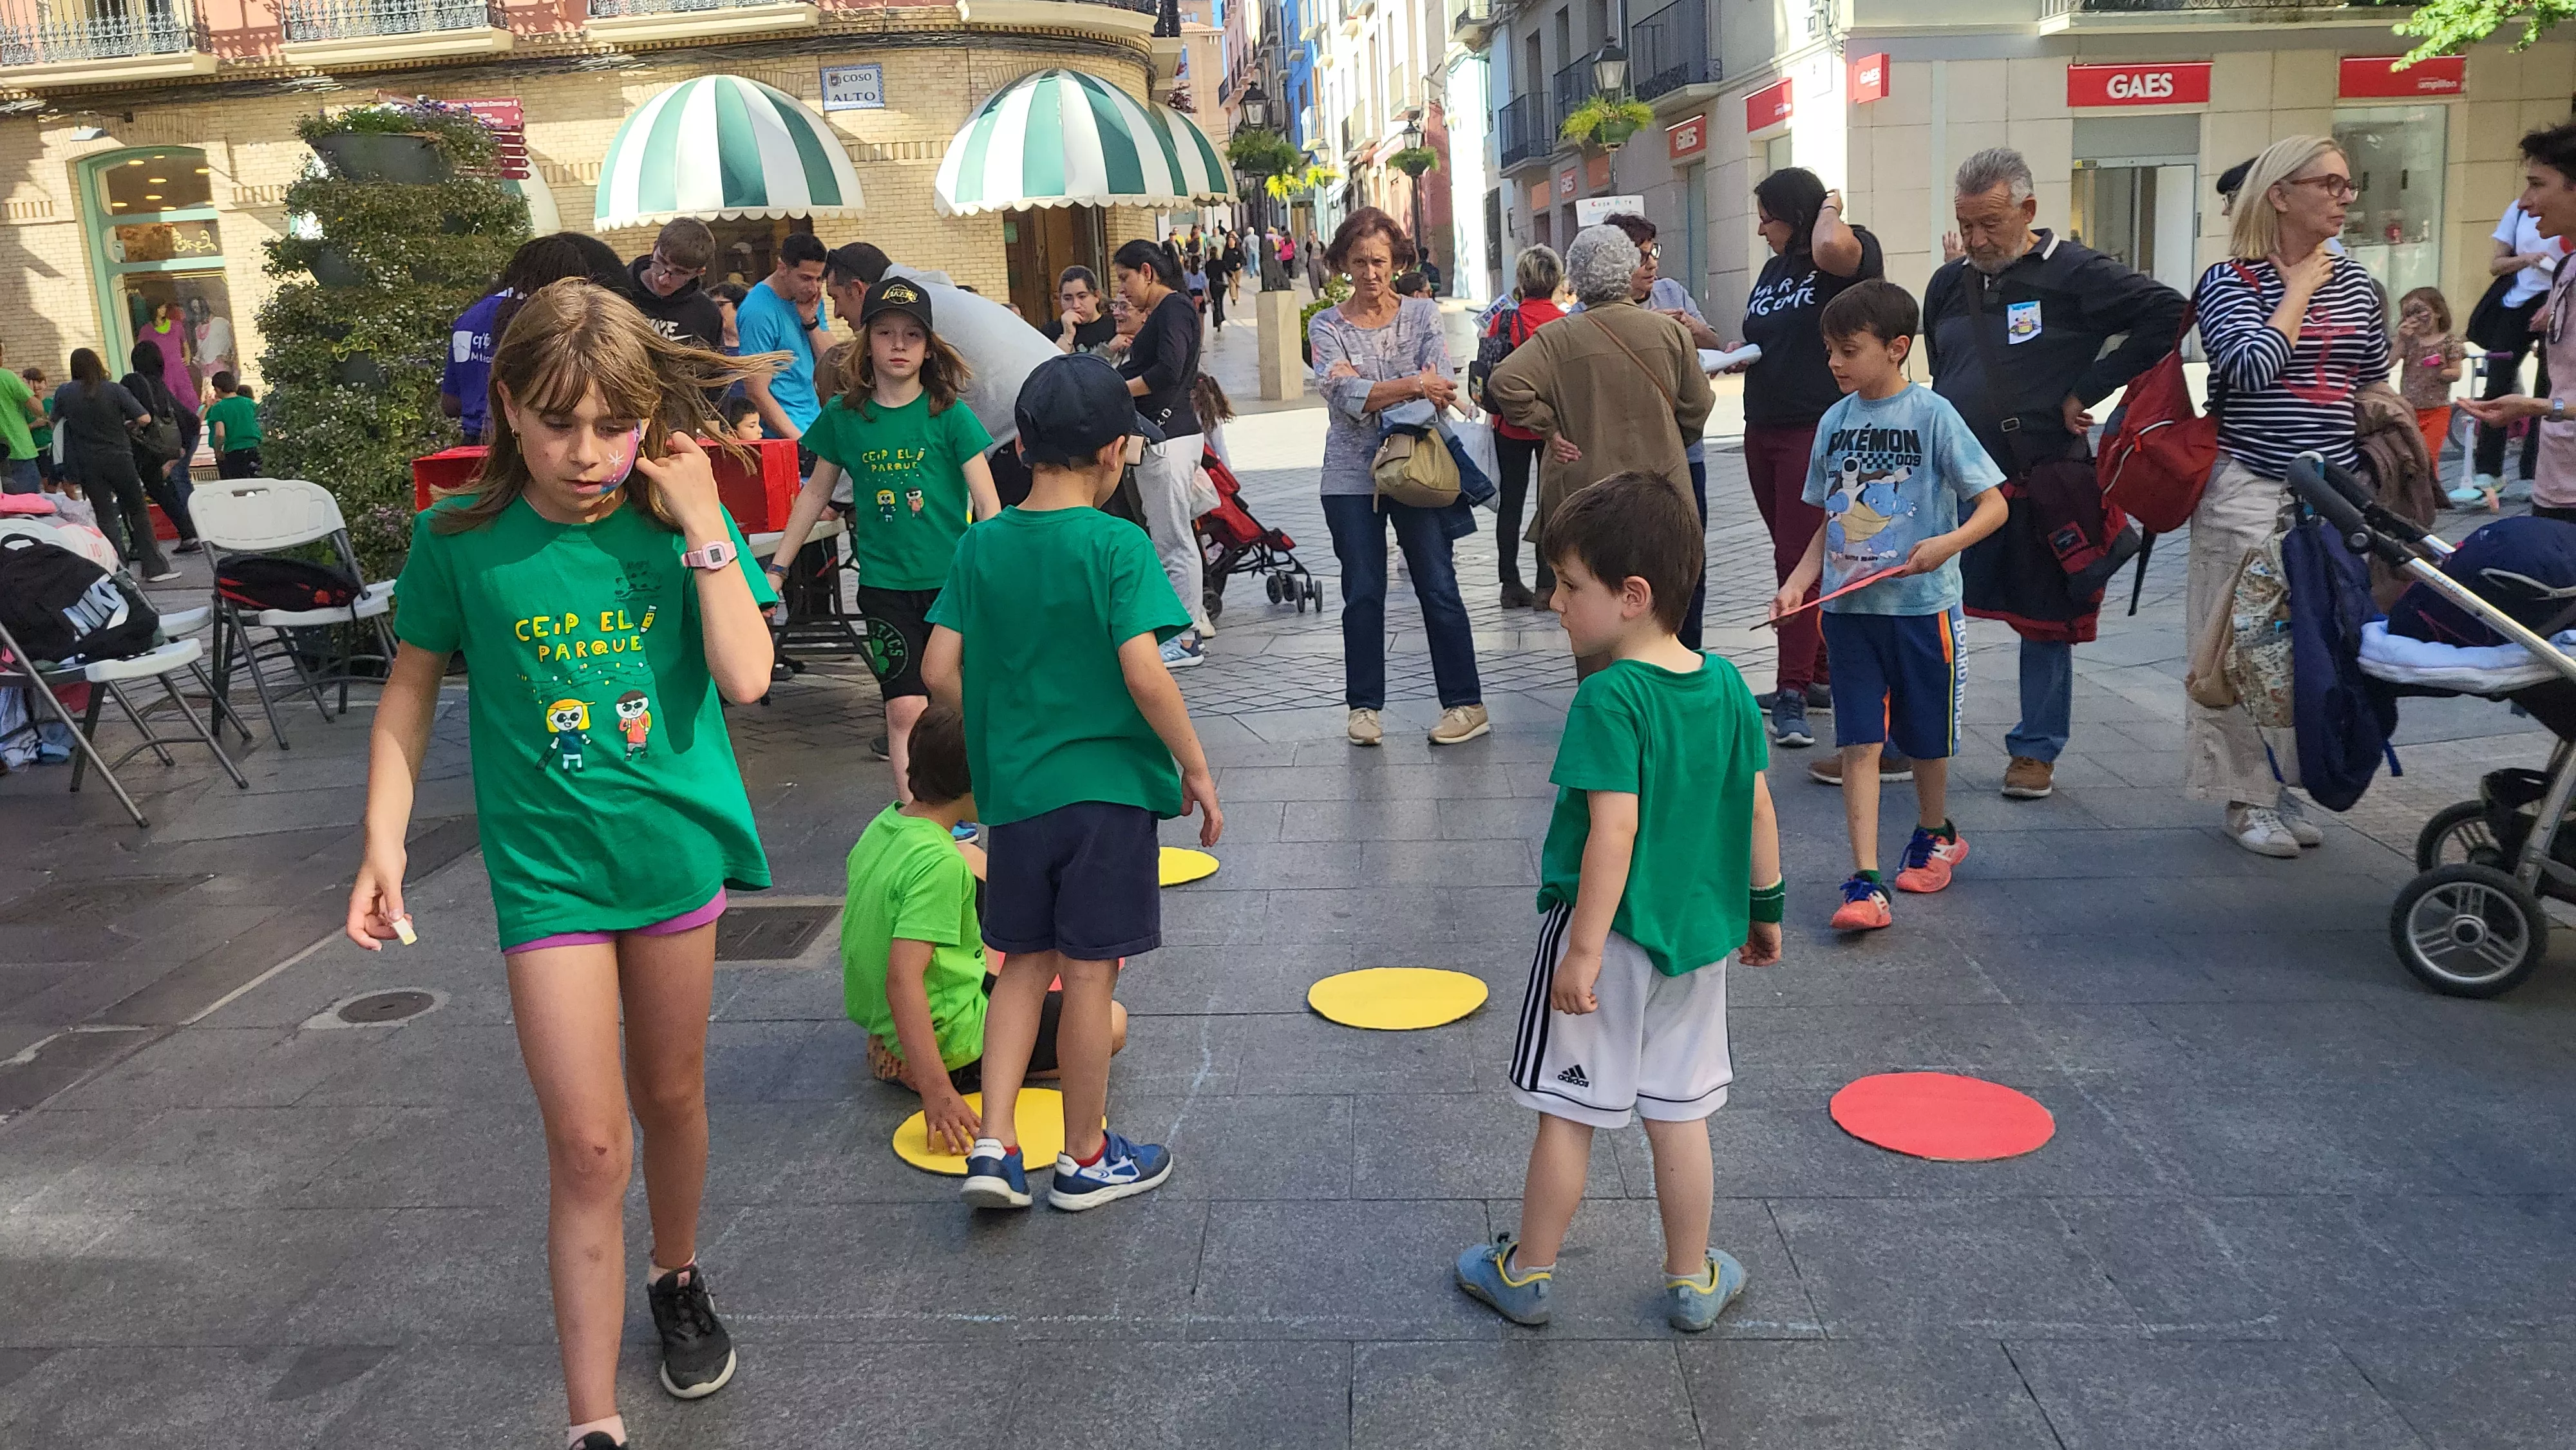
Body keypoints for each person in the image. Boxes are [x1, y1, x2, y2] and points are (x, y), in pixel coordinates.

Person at [343, 279, 781, 1450]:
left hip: (673, 850)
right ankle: (591, 1419)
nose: (585, 453)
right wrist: (383, 836)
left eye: (612, 424)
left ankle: (676, 1273)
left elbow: (747, 677)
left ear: (647, 416)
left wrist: (699, 519)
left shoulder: (676, 516)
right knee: (590, 1142)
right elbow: (410, 688)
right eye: (556, 423)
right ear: (510, 411)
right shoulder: (461, 539)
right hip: (547, 874)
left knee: (673, 1094)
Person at [1452, 471, 1781, 1333]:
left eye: (1570, 586)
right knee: (1681, 1112)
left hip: (1613, 939)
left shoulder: (1609, 696)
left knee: (1570, 1111)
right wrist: (1768, 909)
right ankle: (1690, 1277)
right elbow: (1756, 806)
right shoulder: (1728, 686)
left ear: (1632, 597)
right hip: (1699, 940)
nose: (1556, 603)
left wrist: (1586, 950)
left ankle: (1527, 1274)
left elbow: (1614, 833)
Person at [920, 352, 1224, 1213]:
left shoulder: (981, 545)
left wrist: (1004, 723)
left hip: (1017, 797)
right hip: (1107, 795)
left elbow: (940, 667)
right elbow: (1145, 670)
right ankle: (1086, 1155)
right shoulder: (1116, 545)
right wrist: (1194, 766)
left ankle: (996, 1142)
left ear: (1025, 447)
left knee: (1022, 964)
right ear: (1116, 453)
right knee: (1090, 975)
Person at [1922, 147, 2186, 802]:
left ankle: (2036, 749)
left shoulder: (2076, 272)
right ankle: (1913, 739)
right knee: (1922, 608)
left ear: (2028, 210)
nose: (1977, 240)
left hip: (2039, 475)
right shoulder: (1947, 284)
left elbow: (2167, 313)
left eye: (1990, 224)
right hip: (1956, 480)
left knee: (2045, 617)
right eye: (1967, 224)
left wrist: (2089, 387)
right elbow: (1941, 366)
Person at [1774, 279, 2009, 931]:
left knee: (1926, 739)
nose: (1834, 362)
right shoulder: (1834, 421)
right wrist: (1799, 582)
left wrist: (1946, 544)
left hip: (1921, 608)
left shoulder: (1932, 415)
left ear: (1897, 348)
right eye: (1829, 350)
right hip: (1848, 615)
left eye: (1849, 349)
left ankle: (1934, 832)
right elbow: (1831, 519)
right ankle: (1864, 879)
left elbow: (1994, 503)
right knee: (1858, 741)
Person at [2189, 135, 2388, 856]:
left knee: (2311, 649)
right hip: (2248, 483)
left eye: (2346, 185)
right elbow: (2246, 367)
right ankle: (2243, 799)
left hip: (2329, 494)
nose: (2343, 196)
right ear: (2279, 193)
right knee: (2236, 652)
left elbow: (2368, 372)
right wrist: (2299, 288)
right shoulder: (2228, 281)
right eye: (2328, 183)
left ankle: (2286, 785)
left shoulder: (2360, 282)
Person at [843, 701, 1129, 1152]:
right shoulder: (939, 866)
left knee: (1033, 985)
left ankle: (899, 1049)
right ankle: (928, 1070)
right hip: (952, 1036)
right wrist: (940, 1093)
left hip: (916, 1009)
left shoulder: (890, 825)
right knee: (1111, 1022)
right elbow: (903, 980)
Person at [762, 276, 999, 798]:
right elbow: (812, 496)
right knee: (904, 707)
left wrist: (990, 572)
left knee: (952, 698)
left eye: (912, 335)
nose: (898, 345)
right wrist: (777, 570)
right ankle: (917, 812)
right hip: (884, 589)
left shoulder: (950, 416)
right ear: (866, 341)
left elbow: (988, 504)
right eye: (886, 332)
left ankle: (977, 797)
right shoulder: (844, 418)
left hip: (951, 588)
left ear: (929, 347)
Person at [1486, 224, 1714, 677]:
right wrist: (1672, 435)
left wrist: (1549, 427)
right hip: (1661, 485)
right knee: (1657, 603)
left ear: (1575, 277)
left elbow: (1504, 382)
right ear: (1628, 269)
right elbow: (1698, 405)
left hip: (1589, 492)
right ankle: (1663, 701)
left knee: (1594, 603)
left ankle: (1604, 707)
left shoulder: (1559, 338)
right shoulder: (1668, 333)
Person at [1308, 205, 1492, 746]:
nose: (1370, 273)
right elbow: (1343, 394)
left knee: (1438, 585)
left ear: (1397, 262)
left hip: (1418, 469)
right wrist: (1414, 387)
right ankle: (1364, 707)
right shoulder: (1326, 324)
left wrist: (1391, 389)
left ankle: (1466, 703)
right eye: (1360, 262)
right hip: (1350, 476)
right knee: (1362, 590)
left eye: (1381, 262)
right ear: (1344, 262)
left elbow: (1444, 384)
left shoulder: (1422, 315)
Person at [1727, 167, 1882, 749]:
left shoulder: (1848, 253)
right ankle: (1817, 676)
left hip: (1815, 429)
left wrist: (1830, 205)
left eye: (1768, 214)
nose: (1761, 227)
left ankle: (1791, 690)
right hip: (1761, 423)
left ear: (1797, 214)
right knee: (1789, 551)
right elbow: (1772, 338)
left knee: (1797, 558)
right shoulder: (1773, 270)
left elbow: (1829, 246)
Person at [1585, 213, 1721, 649]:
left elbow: (1713, 343)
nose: (1650, 265)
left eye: (1654, 252)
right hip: (1620, 461)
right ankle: (1633, 658)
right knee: (1625, 564)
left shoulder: (1672, 292)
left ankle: (1687, 653)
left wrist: (1692, 329)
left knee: (1687, 558)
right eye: (1639, 256)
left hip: (1683, 456)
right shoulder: (1588, 311)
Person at [2463, 121, 2576, 524]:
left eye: (2537, 184)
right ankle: (2487, 472)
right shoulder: (2567, 269)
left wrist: (2539, 406)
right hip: (2557, 486)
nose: (2525, 202)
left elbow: (2557, 399)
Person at [1111, 237, 1213, 665]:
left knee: (1173, 539)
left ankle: (1186, 636)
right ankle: (1179, 632)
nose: (1123, 289)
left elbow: (1168, 370)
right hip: (1167, 437)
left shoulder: (1172, 309)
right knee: (1169, 535)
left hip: (1168, 438)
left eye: (1124, 278)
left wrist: (1116, 389)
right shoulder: (1174, 310)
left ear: (1147, 272)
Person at [445, 232, 631, 444]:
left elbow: (450, 404)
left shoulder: (469, 318)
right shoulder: (543, 322)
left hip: (469, 448)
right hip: (518, 447)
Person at [1482, 245, 1567, 607]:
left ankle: (1509, 582)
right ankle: (1546, 584)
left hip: (1509, 424)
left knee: (1511, 504)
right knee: (1550, 503)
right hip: (1553, 427)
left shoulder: (1502, 320)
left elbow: (1487, 367)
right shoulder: (1566, 323)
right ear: (1556, 280)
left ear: (1521, 281)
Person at [2470, 195, 2567, 501]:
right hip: (2517, 301)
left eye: (2537, 182)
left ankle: (2533, 471)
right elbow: (2496, 265)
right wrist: (2527, 259)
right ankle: (2488, 470)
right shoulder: (2517, 208)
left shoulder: (2566, 209)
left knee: (2547, 390)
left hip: (2560, 300)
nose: (2530, 194)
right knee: (2498, 381)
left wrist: (2553, 305)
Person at [52, 350, 166, 579]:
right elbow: (145, 418)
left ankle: (117, 568)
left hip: (88, 462)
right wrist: (126, 424)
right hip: (120, 458)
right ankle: (154, 567)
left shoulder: (64, 392)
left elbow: (54, 421)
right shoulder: (114, 389)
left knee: (105, 515)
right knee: (137, 510)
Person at [736, 231, 831, 446]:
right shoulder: (758, 311)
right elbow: (756, 391)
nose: (813, 287)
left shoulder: (810, 299)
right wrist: (800, 443)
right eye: (805, 278)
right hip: (785, 436)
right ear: (782, 268)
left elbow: (831, 363)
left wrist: (811, 322)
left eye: (819, 279)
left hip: (814, 423)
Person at [118, 338, 200, 554]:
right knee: (161, 490)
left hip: (145, 446)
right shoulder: (159, 383)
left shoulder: (132, 381)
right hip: (170, 441)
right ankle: (189, 534)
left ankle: (138, 545)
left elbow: (135, 414)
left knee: (129, 494)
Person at [2395, 287, 2472, 504]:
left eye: (2420, 311)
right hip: (2408, 408)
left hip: (2437, 409)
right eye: (2408, 314)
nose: (2415, 319)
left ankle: (2429, 497)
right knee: (2407, 455)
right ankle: (2409, 497)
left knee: (2428, 455)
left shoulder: (2449, 343)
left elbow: (2456, 374)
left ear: (2437, 312)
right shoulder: (2409, 342)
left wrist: (2440, 368)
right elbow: (2387, 363)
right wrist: (2401, 340)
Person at [625, 218, 726, 352]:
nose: (663, 279)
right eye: (660, 262)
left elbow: (716, 369)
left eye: (680, 273)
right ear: (654, 248)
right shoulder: (616, 289)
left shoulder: (707, 313)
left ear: (698, 273)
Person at [1043, 265, 1117, 353]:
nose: (1076, 305)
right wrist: (1068, 335)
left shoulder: (1115, 326)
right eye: (1068, 299)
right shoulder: (1050, 332)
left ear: (1096, 296)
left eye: (1082, 297)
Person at [0, 343, 41, 494]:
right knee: (29, 506)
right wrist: (30, 392)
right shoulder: (7, 377)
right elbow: (38, 409)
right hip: (17, 450)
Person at [205, 370, 262, 478]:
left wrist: (218, 451)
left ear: (218, 388)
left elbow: (220, 434)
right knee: (259, 484)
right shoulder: (250, 403)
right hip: (255, 448)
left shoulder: (219, 408)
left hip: (234, 451)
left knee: (238, 488)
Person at [21, 365, 52, 492]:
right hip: (34, 450)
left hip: (50, 447)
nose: (36, 387)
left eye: (39, 382)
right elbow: (20, 428)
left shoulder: (51, 402)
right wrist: (34, 425)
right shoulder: (23, 407)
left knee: (53, 483)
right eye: (31, 383)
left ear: (45, 383)